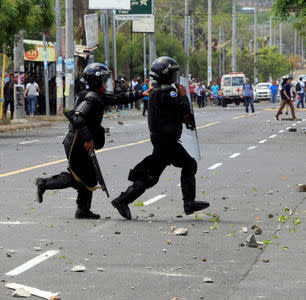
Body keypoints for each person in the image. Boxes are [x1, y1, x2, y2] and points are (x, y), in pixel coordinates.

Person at [35, 63, 148, 219]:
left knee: (87, 177)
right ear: (95, 82)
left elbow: (117, 98)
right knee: (80, 177)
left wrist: (142, 94)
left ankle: (83, 210)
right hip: (77, 142)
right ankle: (44, 183)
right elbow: (78, 118)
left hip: (81, 141)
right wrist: (88, 139)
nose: (107, 83)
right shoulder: (91, 97)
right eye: (103, 79)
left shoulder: (97, 95)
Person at [111, 56, 209, 220]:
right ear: (164, 74)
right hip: (166, 142)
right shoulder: (167, 92)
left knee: (153, 176)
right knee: (186, 165)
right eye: (172, 73)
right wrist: (184, 95)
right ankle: (188, 203)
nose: (175, 76)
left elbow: (176, 113)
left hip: (163, 140)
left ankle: (123, 200)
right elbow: (182, 107)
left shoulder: (158, 91)